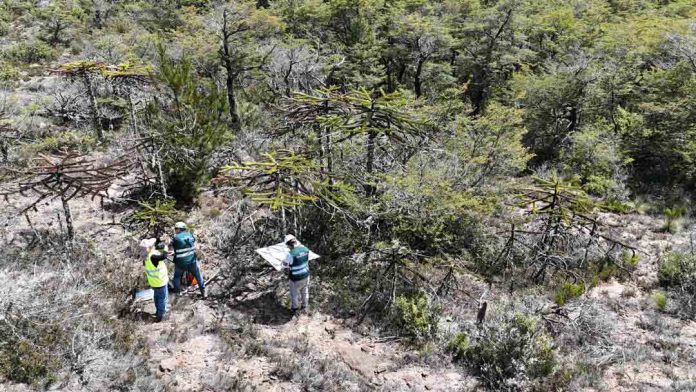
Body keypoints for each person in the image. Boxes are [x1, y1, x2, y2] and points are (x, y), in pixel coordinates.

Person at [170, 222, 206, 298]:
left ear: (179, 229)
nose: (175, 230)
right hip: (192, 262)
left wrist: (174, 252)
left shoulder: (175, 238)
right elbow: (188, 246)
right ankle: (203, 292)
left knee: (177, 277)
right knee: (198, 275)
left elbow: (175, 245)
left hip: (180, 263)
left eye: (176, 229)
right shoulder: (190, 235)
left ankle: (177, 293)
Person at [141, 238, 169, 322]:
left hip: (153, 282)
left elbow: (157, 257)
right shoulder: (153, 257)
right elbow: (164, 256)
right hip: (160, 282)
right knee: (162, 299)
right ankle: (161, 315)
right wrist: (166, 246)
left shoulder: (145, 257)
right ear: (149, 248)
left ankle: (157, 312)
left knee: (156, 297)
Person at [282, 234, 311, 313]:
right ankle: (305, 306)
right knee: (305, 291)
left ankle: (295, 309)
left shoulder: (290, 254)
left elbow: (285, 265)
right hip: (306, 275)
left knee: (294, 294)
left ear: (288, 245)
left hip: (296, 278)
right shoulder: (305, 249)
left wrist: (283, 262)